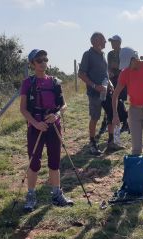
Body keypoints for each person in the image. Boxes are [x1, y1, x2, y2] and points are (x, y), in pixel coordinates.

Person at [20, 49, 73, 211]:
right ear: (32, 64)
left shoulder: (55, 82)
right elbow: (23, 109)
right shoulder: (28, 83)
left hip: (53, 125)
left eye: (45, 59)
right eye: (39, 60)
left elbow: (63, 105)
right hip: (36, 126)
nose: (43, 63)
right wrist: (36, 124)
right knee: (34, 162)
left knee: (55, 160)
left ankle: (57, 194)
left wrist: (56, 115)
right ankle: (31, 195)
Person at [78, 32, 120, 155]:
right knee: (95, 117)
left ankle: (111, 142)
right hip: (94, 94)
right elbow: (81, 74)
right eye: (103, 40)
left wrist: (110, 84)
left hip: (106, 92)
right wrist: (95, 86)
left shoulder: (102, 55)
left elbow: (105, 73)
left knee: (111, 114)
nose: (105, 42)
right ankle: (92, 144)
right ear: (95, 41)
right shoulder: (88, 55)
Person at [107, 35, 129, 133]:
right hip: (113, 79)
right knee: (116, 99)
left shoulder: (124, 53)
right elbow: (109, 66)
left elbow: (127, 65)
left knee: (120, 100)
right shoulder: (110, 54)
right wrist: (109, 72)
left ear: (119, 42)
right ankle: (125, 121)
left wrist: (118, 66)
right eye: (111, 42)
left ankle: (125, 121)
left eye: (113, 41)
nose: (112, 43)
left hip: (123, 78)